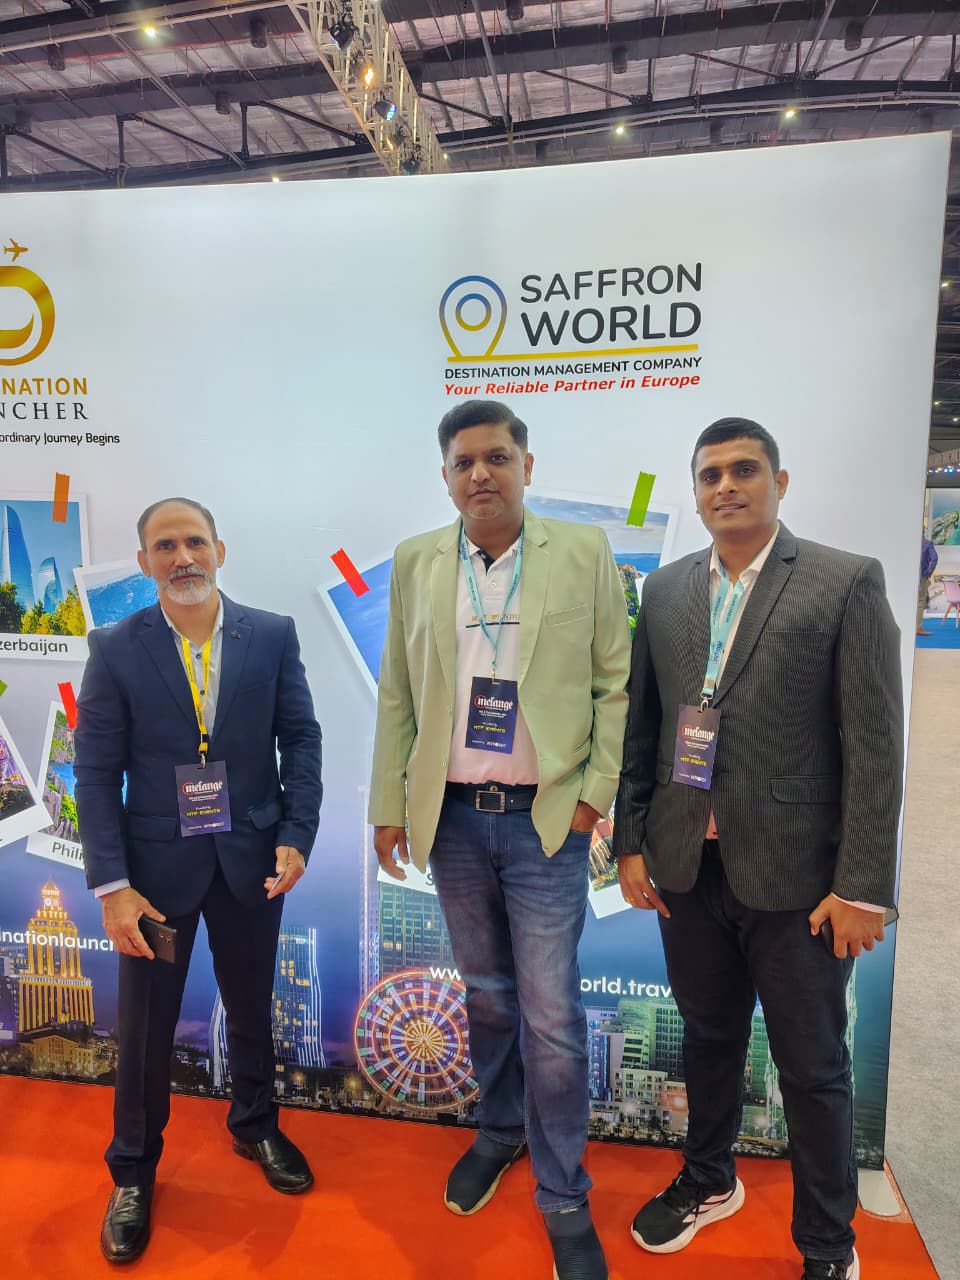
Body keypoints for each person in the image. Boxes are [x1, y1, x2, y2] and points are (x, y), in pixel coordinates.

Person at [614, 418, 903, 1280]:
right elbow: (644, 729)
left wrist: (862, 886)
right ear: (695, 491)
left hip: (800, 878)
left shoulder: (843, 581)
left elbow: (875, 746)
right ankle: (710, 1180)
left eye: (744, 470)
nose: (726, 486)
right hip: (687, 867)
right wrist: (631, 842)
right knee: (707, 1038)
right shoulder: (666, 590)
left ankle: (828, 1244)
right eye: (710, 475)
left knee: (812, 1068)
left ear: (780, 481)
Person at [369, 400, 630, 1280]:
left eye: (497, 457)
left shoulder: (584, 552)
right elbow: (399, 693)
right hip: (451, 818)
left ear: (527, 466)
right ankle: (499, 1129)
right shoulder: (416, 561)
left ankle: (563, 1193)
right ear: (446, 477)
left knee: (551, 1015)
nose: (480, 473)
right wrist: (389, 803)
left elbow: (614, 684)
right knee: (484, 995)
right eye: (463, 462)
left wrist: (595, 796)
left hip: (546, 821)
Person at [76, 497, 323, 1264]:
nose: (182, 557)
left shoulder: (271, 634)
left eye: (193, 541)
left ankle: (255, 1125)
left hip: (252, 863)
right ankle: (133, 1172)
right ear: (143, 562)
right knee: (146, 1029)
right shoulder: (115, 647)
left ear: (220, 548)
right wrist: (112, 886)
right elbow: (94, 775)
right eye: (164, 546)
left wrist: (296, 835)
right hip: (154, 879)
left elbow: (301, 739)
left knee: (251, 1004)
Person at [917, 530, 938, 635]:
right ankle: (917, 627)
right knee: (920, 602)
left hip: (908, 577)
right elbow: (934, 558)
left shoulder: (908, 543)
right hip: (922, 577)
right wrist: (928, 572)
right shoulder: (927, 544)